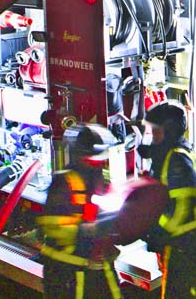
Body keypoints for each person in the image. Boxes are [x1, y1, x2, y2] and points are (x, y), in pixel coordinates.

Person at [37, 124, 124, 299]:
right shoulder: (64, 183)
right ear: (80, 156)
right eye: (95, 158)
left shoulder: (98, 179)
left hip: (95, 268)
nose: (100, 162)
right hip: (67, 272)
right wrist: (91, 230)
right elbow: (54, 226)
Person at [140, 101, 196, 298]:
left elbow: (182, 206)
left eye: (156, 131)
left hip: (181, 241)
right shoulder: (169, 153)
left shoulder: (176, 159)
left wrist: (156, 231)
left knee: (176, 293)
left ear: (169, 131)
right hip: (179, 240)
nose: (152, 136)